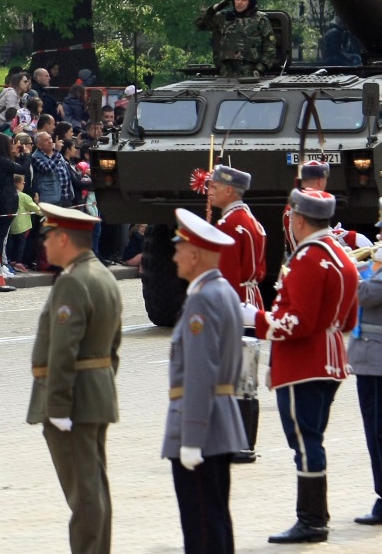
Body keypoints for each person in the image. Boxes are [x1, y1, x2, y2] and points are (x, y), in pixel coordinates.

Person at [244, 188, 360, 544]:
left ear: (297, 219)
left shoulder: (308, 258)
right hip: (331, 356)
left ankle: (311, 520)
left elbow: (297, 321)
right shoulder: (341, 254)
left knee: (305, 442)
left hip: (304, 361)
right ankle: (315, 516)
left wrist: (255, 318)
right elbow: (349, 318)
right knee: (313, 438)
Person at [27, 202, 123, 554]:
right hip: (95, 394)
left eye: (48, 236)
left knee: (83, 493)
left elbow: (63, 351)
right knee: (93, 486)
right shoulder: (103, 276)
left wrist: (58, 406)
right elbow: (113, 347)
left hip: (75, 401)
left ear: (63, 238)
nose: (45, 244)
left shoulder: (73, 281)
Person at [163, 208, 249, 554]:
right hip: (220, 420)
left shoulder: (202, 299)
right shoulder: (223, 290)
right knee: (215, 519)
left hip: (202, 425)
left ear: (195, 254)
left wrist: (192, 437)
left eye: (179, 248)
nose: (174, 255)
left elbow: (200, 371)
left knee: (201, 529)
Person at [205, 164, 268, 463]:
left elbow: (227, 276)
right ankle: (242, 442)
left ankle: (240, 444)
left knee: (238, 377)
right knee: (246, 377)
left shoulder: (230, 225)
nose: (210, 190)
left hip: (236, 300)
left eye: (215, 186)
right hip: (250, 298)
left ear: (230, 191)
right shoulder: (247, 219)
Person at [351, 247, 382, 527]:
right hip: (371, 362)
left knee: (377, 433)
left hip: (377, 364)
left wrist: (350, 270)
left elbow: (364, 295)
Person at [197, 0, 276, 77]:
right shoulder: (224, 17)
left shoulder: (260, 20)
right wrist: (214, 9)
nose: (239, 2)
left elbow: (270, 48)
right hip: (226, 72)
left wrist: (260, 69)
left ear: (250, 2)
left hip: (251, 72)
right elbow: (200, 24)